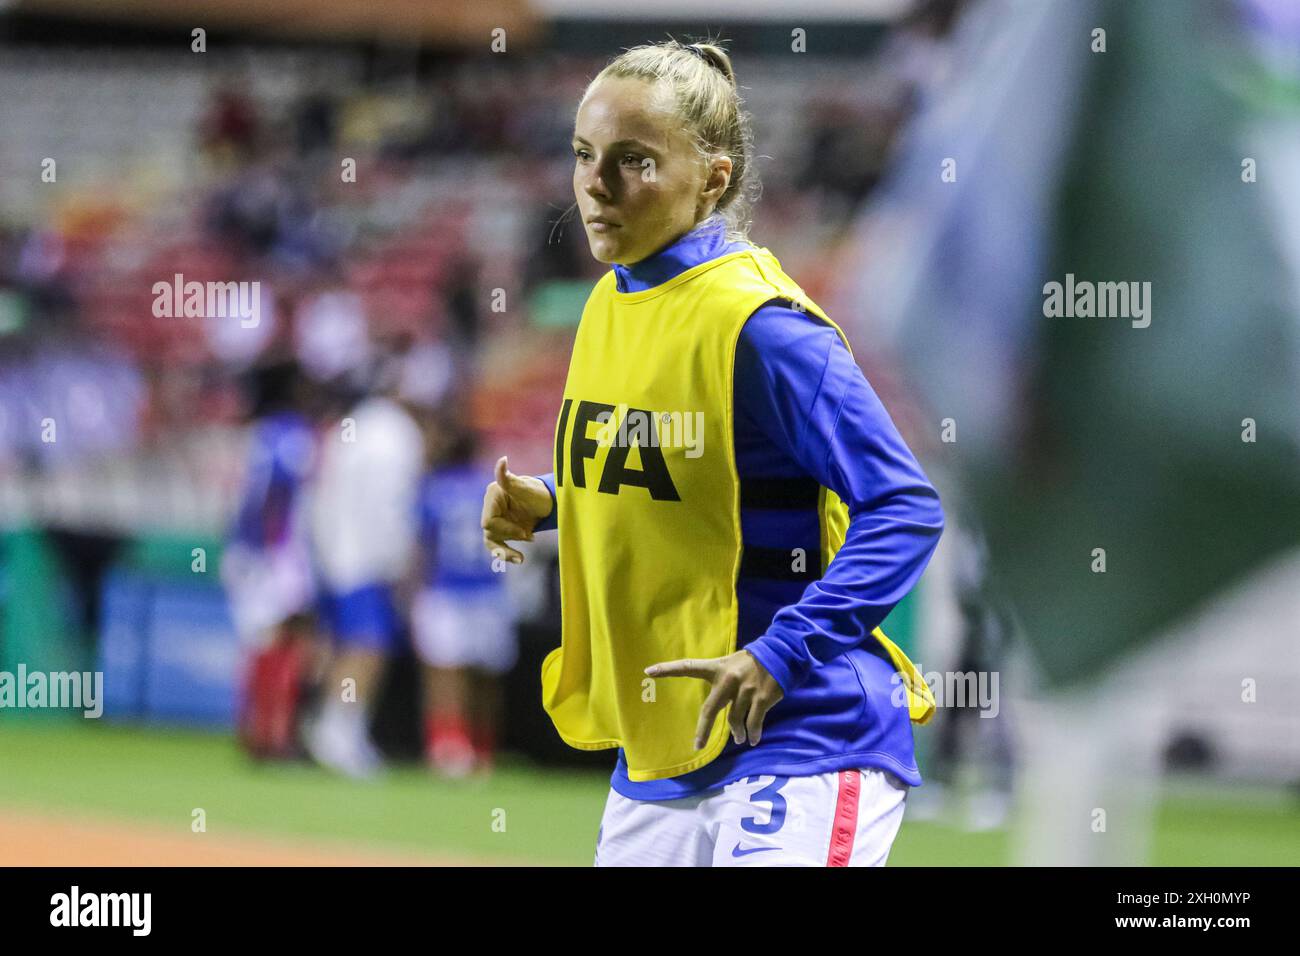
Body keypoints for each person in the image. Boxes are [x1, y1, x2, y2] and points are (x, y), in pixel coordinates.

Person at [482, 39, 944, 866]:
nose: (596, 184)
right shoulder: (607, 303)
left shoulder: (763, 328)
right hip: (669, 748)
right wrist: (555, 498)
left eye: (634, 161)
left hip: (802, 732)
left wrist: (781, 652)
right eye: (585, 155)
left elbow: (906, 507)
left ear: (713, 179)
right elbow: (684, 466)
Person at [413, 422, 515, 777]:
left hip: (445, 588)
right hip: (488, 589)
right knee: (487, 676)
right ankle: (483, 750)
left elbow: (421, 545)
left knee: (445, 671)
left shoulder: (433, 489)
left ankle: (448, 747)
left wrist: (412, 588)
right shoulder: (495, 490)